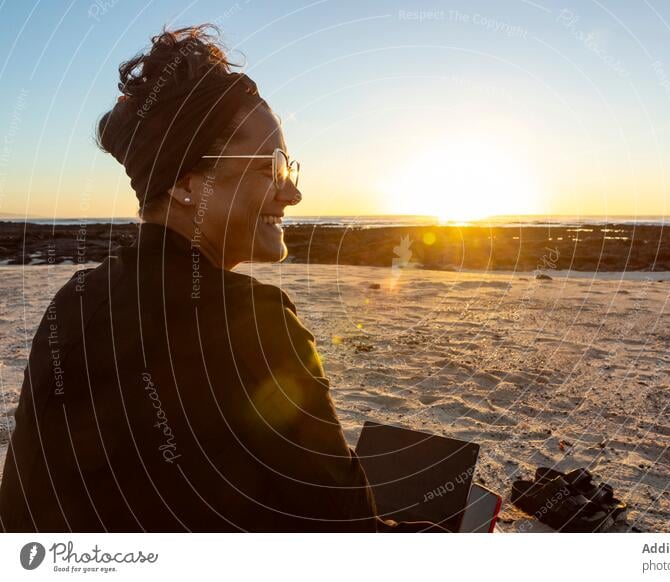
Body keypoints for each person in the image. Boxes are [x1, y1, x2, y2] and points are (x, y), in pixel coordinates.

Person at [0, 25, 384, 532]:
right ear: (186, 185)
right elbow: (349, 534)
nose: (291, 194)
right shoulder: (254, 321)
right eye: (271, 166)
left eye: (288, 169)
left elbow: (24, 509)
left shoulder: (75, 300)